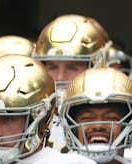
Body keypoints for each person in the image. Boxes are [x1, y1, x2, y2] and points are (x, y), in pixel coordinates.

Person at [32, 14, 112, 150]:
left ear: (97, 66)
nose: (60, 77)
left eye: (72, 67)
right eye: (52, 67)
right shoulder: (24, 120)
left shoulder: (120, 117)